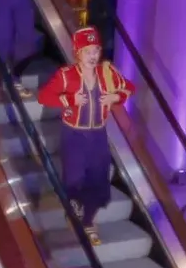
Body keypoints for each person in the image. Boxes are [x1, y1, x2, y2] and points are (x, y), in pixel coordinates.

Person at [35, 26, 136, 245]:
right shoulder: (66, 76)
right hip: (74, 135)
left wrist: (114, 97)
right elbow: (44, 97)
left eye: (96, 50)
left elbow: (129, 88)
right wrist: (69, 100)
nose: (93, 55)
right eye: (87, 50)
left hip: (99, 134)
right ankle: (76, 212)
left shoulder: (107, 73)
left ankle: (88, 219)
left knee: (99, 182)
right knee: (74, 178)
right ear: (77, 52)